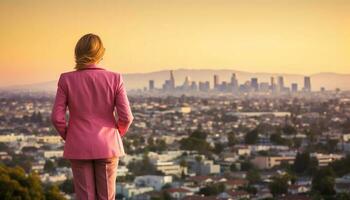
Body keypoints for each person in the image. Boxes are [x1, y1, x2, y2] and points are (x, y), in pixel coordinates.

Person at [51, 33, 134, 200]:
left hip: (79, 144)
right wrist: (116, 134)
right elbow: (126, 117)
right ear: (100, 53)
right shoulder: (114, 78)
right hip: (107, 145)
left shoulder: (66, 79)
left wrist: (70, 136)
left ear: (77, 53)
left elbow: (57, 118)